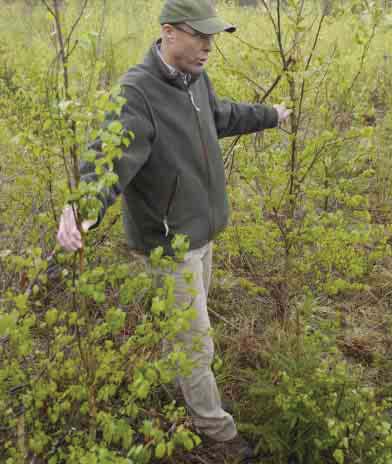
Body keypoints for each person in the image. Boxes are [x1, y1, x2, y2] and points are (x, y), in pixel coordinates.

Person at [57, 0, 291, 461]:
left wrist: (271, 115)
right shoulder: (137, 92)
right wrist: (83, 207)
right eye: (199, 36)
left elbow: (221, 116)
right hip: (169, 242)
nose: (208, 46)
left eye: (212, 37)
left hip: (199, 234)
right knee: (196, 341)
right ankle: (217, 432)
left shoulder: (195, 80)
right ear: (169, 32)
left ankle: (168, 384)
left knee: (184, 326)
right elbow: (108, 158)